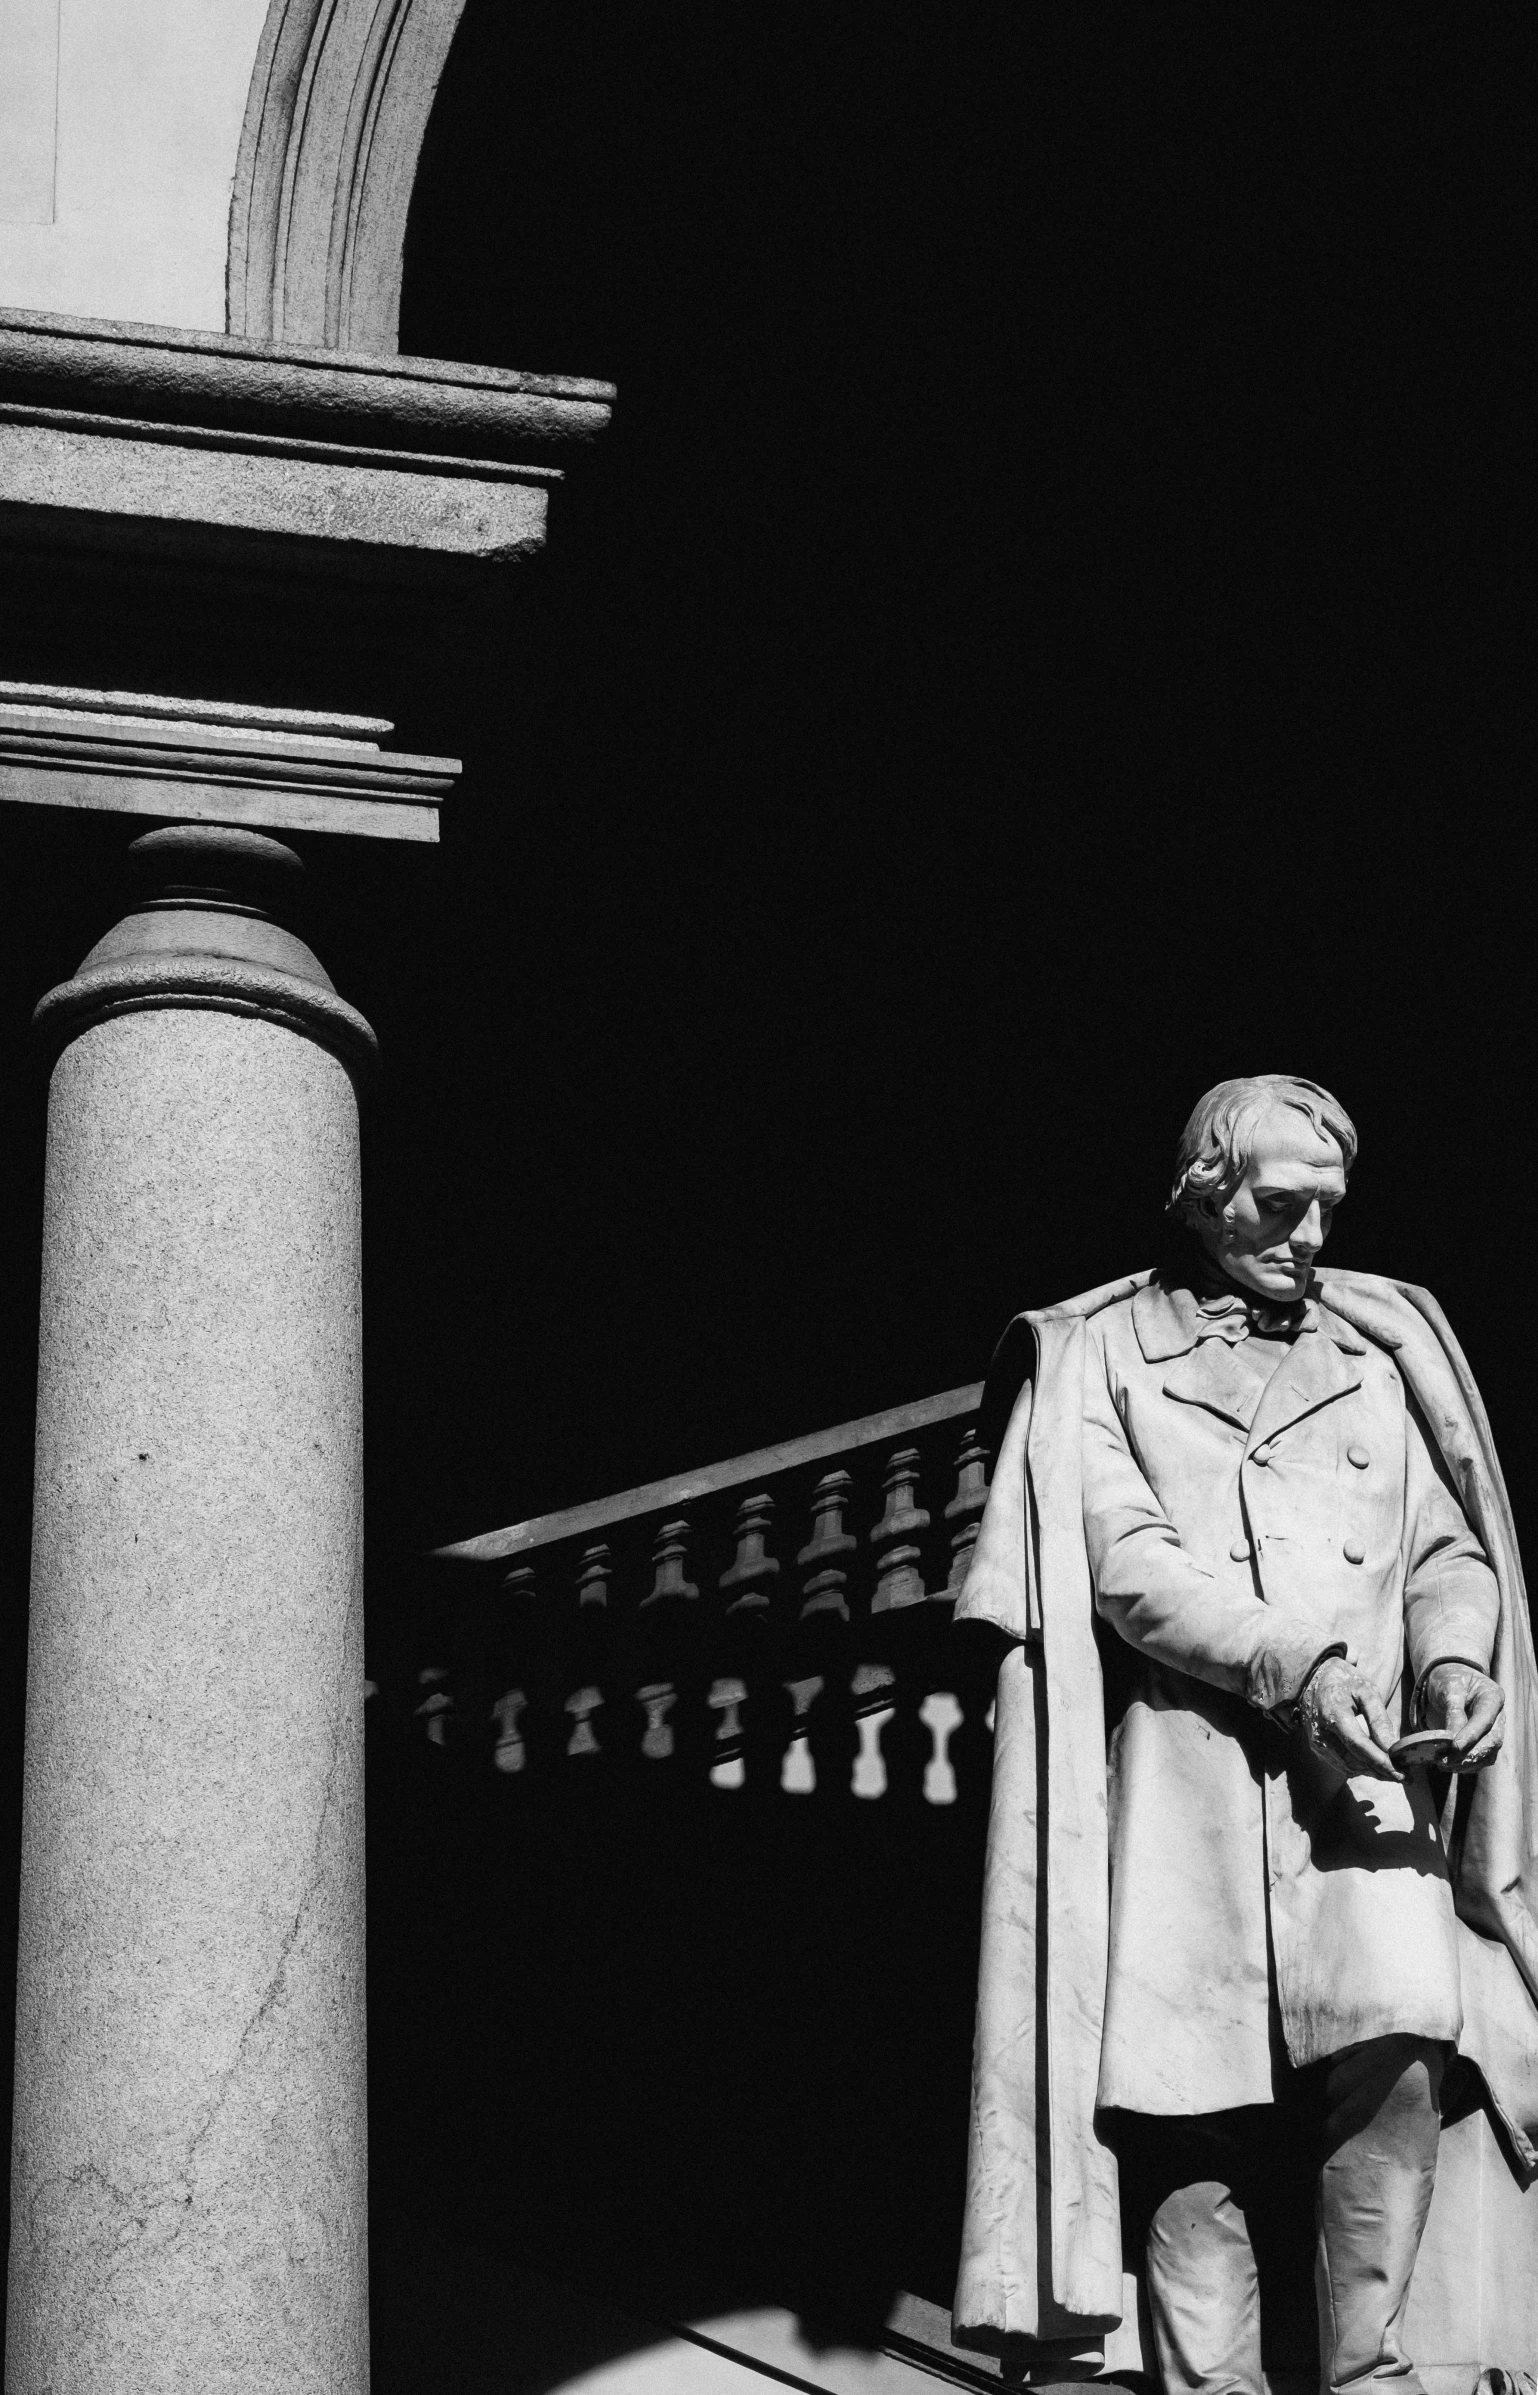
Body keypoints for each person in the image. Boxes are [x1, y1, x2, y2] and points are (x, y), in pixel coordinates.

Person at [951, 1074, 1538, 2394]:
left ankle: (1367, 2368)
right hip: (1191, 1759)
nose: (1311, 1235)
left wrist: (1451, 1658)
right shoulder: (1103, 1354)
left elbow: (1439, 1544)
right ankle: (1210, 2384)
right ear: (1208, 1191)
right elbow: (1123, 1557)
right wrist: (1290, 1662)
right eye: (1282, 1204)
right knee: (1186, 2094)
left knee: (1395, 2042)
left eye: (1328, 1206)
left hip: (1368, 1770)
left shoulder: (1376, 1354)